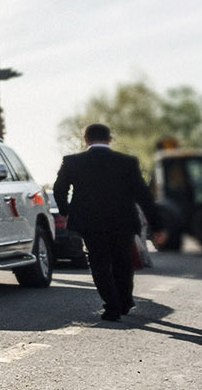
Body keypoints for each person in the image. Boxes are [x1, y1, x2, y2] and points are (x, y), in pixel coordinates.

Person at [54, 121, 162, 322]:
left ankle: (112, 306)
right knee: (123, 262)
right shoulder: (127, 162)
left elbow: (59, 189)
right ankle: (125, 300)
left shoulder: (72, 161)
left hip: (89, 222)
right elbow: (143, 194)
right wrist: (157, 225)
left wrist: (65, 211)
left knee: (99, 263)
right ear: (110, 139)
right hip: (123, 220)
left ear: (85, 139)